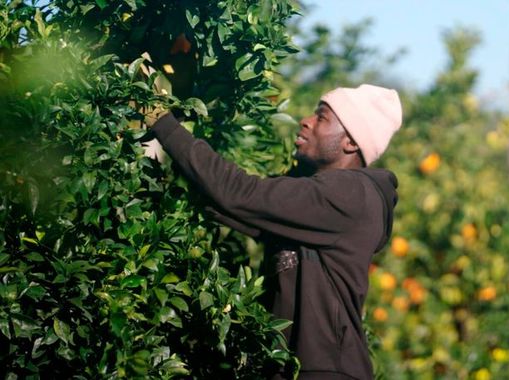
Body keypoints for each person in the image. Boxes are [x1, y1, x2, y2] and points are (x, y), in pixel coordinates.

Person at [144, 84, 402, 379]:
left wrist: (162, 121)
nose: (306, 120)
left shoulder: (351, 193)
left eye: (322, 117)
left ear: (350, 143)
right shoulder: (321, 202)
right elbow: (233, 206)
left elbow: (238, 193)